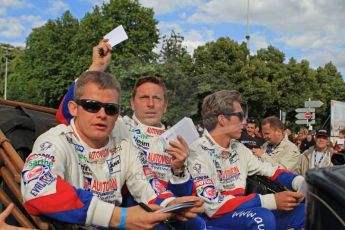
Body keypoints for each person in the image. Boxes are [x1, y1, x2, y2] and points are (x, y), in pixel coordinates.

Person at [21, 71, 204, 229]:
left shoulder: (122, 135)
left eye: (110, 109)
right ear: (74, 108)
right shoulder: (54, 140)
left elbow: (143, 180)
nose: (102, 114)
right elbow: (37, 188)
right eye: (92, 106)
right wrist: (119, 217)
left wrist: (169, 203)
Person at [56, 41, 205, 228]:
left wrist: (179, 168)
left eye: (156, 98)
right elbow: (67, 113)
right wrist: (97, 68)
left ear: (165, 105)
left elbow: (185, 196)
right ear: (132, 104)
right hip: (130, 209)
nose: (150, 104)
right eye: (143, 98)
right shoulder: (118, 124)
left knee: (197, 224)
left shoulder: (180, 138)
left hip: (166, 207)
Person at [188, 90, 305, 230]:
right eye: (240, 116)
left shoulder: (239, 148)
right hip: (214, 218)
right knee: (261, 218)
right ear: (222, 119)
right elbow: (213, 206)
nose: (244, 122)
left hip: (244, 211)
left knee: (304, 212)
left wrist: (300, 182)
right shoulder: (196, 152)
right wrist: (271, 201)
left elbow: (271, 170)